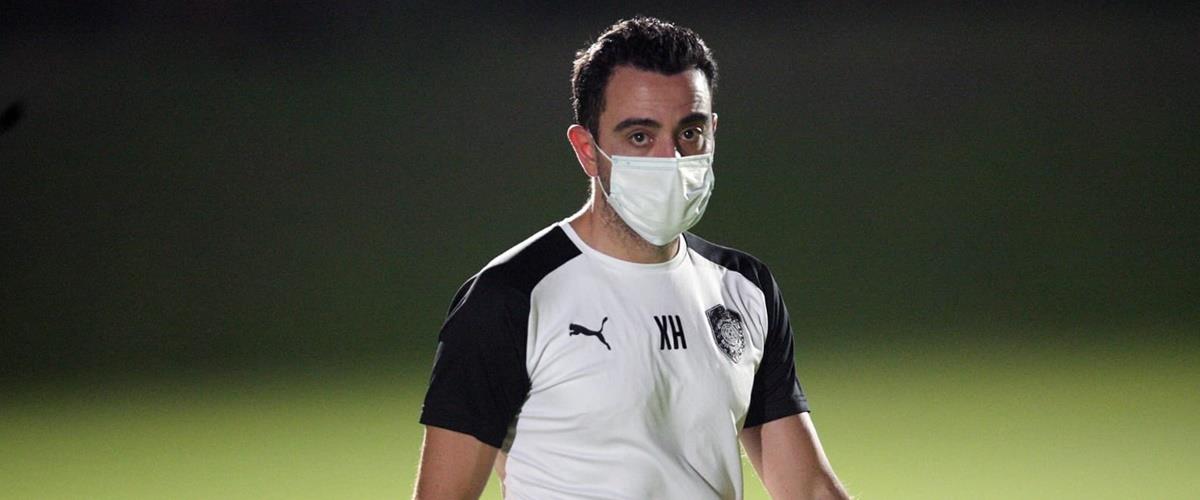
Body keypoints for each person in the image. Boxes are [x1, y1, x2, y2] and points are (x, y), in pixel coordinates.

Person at [414, 17, 851, 500]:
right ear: (587, 150)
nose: (671, 159)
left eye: (689, 133)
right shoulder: (511, 297)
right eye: (640, 137)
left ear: (713, 133)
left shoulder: (743, 287)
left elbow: (807, 489)